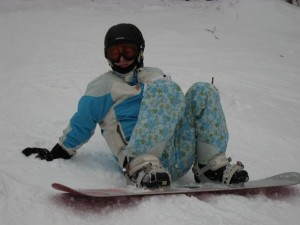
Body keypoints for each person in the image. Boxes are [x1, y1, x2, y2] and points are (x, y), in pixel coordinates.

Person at [22, 23, 249, 189]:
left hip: (174, 154)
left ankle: (210, 166)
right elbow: (82, 122)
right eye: (114, 52)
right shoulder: (103, 86)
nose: (121, 58)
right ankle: (142, 165)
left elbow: (174, 110)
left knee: (203, 90)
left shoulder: (155, 75)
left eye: (127, 51)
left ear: (140, 50)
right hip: (138, 160)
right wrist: (58, 152)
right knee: (165, 88)